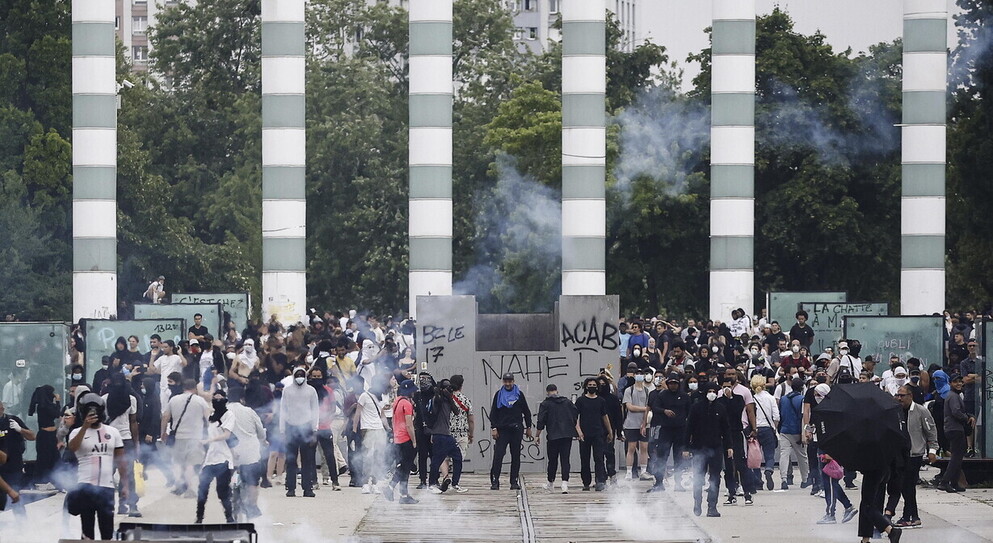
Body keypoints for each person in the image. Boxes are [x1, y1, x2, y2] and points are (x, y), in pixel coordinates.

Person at [67, 393, 127, 540]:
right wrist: (85, 427)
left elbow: (121, 460)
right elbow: (72, 448)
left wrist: (125, 485)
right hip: (85, 486)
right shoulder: (76, 432)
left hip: (107, 487)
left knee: (107, 530)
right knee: (87, 531)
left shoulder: (113, 432)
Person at [889, 384, 937, 528]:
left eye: (902, 395)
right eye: (897, 395)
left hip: (914, 454)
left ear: (910, 396)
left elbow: (931, 431)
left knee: (908, 486)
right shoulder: (896, 411)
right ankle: (913, 516)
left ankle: (909, 516)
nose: (899, 398)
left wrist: (933, 450)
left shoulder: (921, 411)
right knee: (902, 486)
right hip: (899, 454)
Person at [684, 382, 733, 518]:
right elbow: (689, 428)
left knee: (715, 478)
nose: (712, 393)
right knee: (698, 477)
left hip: (716, 447)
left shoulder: (721, 408)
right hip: (699, 448)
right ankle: (697, 502)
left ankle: (712, 506)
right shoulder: (696, 407)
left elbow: (726, 429)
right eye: (709, 391)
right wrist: (686, 447)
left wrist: (729, 446)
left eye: (714, 391)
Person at [160, 378, 210, 497]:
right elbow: (208, 419)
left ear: (183, 388)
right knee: (190, 464)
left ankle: (179, 485)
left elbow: (165, 417)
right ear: (195, 389)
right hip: (195, 437)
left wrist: (163, 432)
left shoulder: (174, 399)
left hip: (179, 436)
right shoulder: (200, 401)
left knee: (178, 462)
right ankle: (189, 489)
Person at [102, 373, 141, 517]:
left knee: (128, 474)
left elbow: (133, 422)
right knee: (108, 474)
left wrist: (136, 443)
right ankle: (114, 505)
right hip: (112, 440)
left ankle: (129, 505)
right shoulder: (104, 400)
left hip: (123, 439)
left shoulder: (131, 400)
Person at [644, 372, 690, 492]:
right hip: (665, 430)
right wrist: (664, 411)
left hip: (680, 430)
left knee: (678, 457)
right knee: (661, 456)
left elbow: (690, 412)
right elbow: (654, 407)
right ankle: (659, 483)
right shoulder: (662, 395)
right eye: (670, 383)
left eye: (675, 383)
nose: (673, 386)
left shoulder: (684, 396)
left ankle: (678, 483)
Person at [226, 387, 267, 519]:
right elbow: (261, 432)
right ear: (242, 399)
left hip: (229, 455)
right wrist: (263, 441)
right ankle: (252, 505)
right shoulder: (249, 411)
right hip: (250, 454)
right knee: (253, 482)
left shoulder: (222, 411)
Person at [196, 390, 236, 524]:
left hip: (224, 459)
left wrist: (209, 440)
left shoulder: (229, 415)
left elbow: (226, 435)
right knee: (202, 488)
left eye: (220, 398)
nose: (217, 401)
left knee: (222, 491)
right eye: (215, 398)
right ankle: (199, 518)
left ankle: (230, 518)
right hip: (210, 459)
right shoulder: (212, 417)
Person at [488, 373, 533, 491]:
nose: (508, 384)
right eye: (506, 381)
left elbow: (526, 412)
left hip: (516, 430)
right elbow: (493, 413)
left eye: (510, 381)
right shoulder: (499, 395)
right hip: (502, 430)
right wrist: (494, 428)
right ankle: (495, 480)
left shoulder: (519, 395)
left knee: (516, 456)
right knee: (498, 455)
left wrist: (528, 427)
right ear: (503, 382)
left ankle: (514, 481)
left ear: (513, 381)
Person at [281, 366, 319, 497]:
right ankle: (290, 488)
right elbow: (283, 410)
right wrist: (282, 431)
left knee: (307, 460)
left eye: (302, 375)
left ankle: (307, 488)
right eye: (297, 375)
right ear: (293, 376)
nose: (299, 378)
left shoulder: (311, 391)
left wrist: (315, 430)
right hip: (291, 427)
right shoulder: (287, 391)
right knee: (291, 460)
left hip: (307, 428)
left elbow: (315, 411)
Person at [535, 383, 579, 493]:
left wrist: (537, 435)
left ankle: (550, 483)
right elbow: (575, 415)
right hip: (566, 435)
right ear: (557, 391)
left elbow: (541, 421)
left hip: (553, 435)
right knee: (565, 459)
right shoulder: (567, 402)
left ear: (547, 392)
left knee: (552, 460)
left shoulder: (545, 404)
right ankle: (565, 484)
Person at [427, 379, 465, 494]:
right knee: (437, 460)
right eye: (447, 388)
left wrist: (449, 397)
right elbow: (436, 404)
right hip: (439, 434)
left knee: (458, 457)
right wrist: (439, 392)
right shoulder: (437, 399)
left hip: (447, 434)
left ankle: (455, 483)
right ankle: (432, 483)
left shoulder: (448, 399)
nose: (449, 390)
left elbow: (457, 411)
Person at [937, 374, 973, 493]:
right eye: (955, 382)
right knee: (956, 458)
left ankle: (954, 482)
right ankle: (945, 482)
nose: (958, 384)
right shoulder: (953, 396)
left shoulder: (955, 395)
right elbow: (956, 412)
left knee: (958, 457)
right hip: (955, 429)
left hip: (954, 428)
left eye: (960, 381)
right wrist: (966, 418)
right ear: (950, 383)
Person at [353, 376, 389, 494]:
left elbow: (382, 415)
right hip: (367, 429)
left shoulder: (381, 397)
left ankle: (375, 483)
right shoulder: (364, 396)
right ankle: (365, 483)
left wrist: (387, 428)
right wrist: (354, 430)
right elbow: (357, 414)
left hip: (379, 429)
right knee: (368, 457)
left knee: (378, 458)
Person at [0, 399, 35, 517]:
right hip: (0, 467)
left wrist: (20, 429)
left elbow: (32, 436)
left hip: (13, 466)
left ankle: (22, 525)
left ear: (2, 408)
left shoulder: (12, 420)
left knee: (15, 495)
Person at [576, 377, 611, 492]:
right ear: (586, 386)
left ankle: (600, 481)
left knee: (599, 458)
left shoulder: (601, 401)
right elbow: (575, 418)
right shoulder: (580, 401)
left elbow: (605, 417)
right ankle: (586, 482)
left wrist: (610, 431)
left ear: (597, 387)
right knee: (584, 459)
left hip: (598, 433)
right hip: (584, 434)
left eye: (593, 385)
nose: (592, 386)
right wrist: (579, 431)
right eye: (589, 385)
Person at [308, 368, 341, 491]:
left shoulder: (328, 391)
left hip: (325, 427)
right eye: (314, 376)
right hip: (311, 428)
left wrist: (327, 420)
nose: (316, 379)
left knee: (329, 455)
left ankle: (335, 482)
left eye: (319, 376)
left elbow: (332, 409)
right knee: (310, 456)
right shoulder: (309, 391)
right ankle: (314, 481)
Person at [387, 379, 419, 504]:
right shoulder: (407, 404)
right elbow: (409, 425)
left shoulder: (397, 401)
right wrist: (414, 441)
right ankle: (392, 488)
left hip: (397, 438)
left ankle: (403, 494)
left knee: (402, 467)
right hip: (406, 439)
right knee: (405, 468)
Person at [777, 378, 810, 490]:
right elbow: (802, 417)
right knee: (802, 456)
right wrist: (803, 433)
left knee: (784, 454)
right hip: (797, 431)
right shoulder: (802, 399)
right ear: (801, 388)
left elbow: (780, 414)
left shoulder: (783, 399)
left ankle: (784, 479)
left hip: (784, 430)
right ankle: (805, 479)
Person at [28, 385, 61, 488]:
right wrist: (58, 401)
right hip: (45, 436)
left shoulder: (47, 405)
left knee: (54, 458)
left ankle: (55, 480)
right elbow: (56, 413)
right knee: (43, 459)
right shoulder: (43, 406)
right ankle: (40, 481)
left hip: (51, 435)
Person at [750, 375, 779, 491]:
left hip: (755, 429)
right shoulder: (770, 398)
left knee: (755, 456)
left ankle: (758, 480)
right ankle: (769, 469)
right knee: (769, 454)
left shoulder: (751, 399)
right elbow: (776, 416)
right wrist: (774, 427)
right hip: (768, 428)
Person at [622, 368, 651, 481]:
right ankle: (629, 471)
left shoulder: (647, 391)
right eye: (637, 374)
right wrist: (644, 409)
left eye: (641, 374)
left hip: (644, 423)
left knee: (644, 447)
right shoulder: (629, 390)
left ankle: (643, 470)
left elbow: (649, 408)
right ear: (634, 376)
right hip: (631, 423)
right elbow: (630, 407)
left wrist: (644, 422)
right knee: (631, 448)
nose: (639, 376)